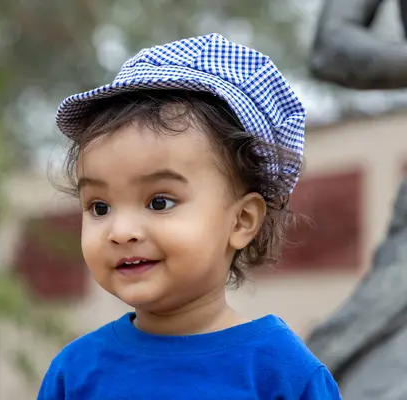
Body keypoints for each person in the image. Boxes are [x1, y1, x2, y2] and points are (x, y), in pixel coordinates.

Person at [37, 33, 341, 399]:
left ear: (242, 221)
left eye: (159, 202)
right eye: (100, 207)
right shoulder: (75, 373)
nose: (121, 231)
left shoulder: (281, 374)